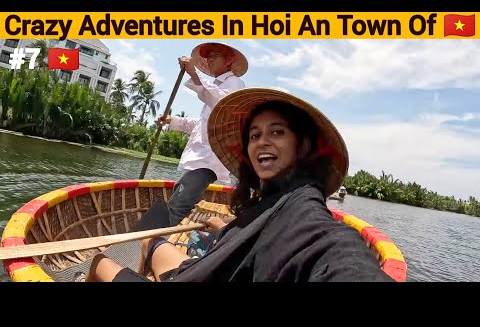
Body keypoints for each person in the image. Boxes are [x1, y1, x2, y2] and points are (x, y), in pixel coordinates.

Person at [82, 87, 395, 282]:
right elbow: (264, 234)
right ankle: (145, 272)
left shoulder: (305, 207)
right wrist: (227, 228)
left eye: (277, 132)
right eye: (255, 136)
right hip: (203, 273)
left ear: (302, 146)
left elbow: (335, 250)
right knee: (151, 242)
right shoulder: (277, 197)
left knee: (99, 262)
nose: (262, 143)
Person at [135, 42, 248, 231]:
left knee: (179, 205)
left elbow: (223, 104)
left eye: (215, 56)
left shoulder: (235, 84)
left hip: (209, 160)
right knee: (179, 195)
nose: (209, 60)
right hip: (200, 158)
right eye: (208, 57)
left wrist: (194, 74)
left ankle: (151, 245)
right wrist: (173, 121)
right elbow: (201, 125)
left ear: (228, 60)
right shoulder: (215, 87)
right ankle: (155, 241)